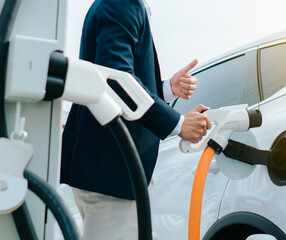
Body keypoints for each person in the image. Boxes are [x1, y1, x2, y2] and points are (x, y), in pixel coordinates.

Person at [60, 0, 211, 239]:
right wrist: (179, 125)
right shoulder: (123, 3)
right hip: (114, 175)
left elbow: (118, 81)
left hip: (103, 172)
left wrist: (167, 89)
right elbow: (116, 81)